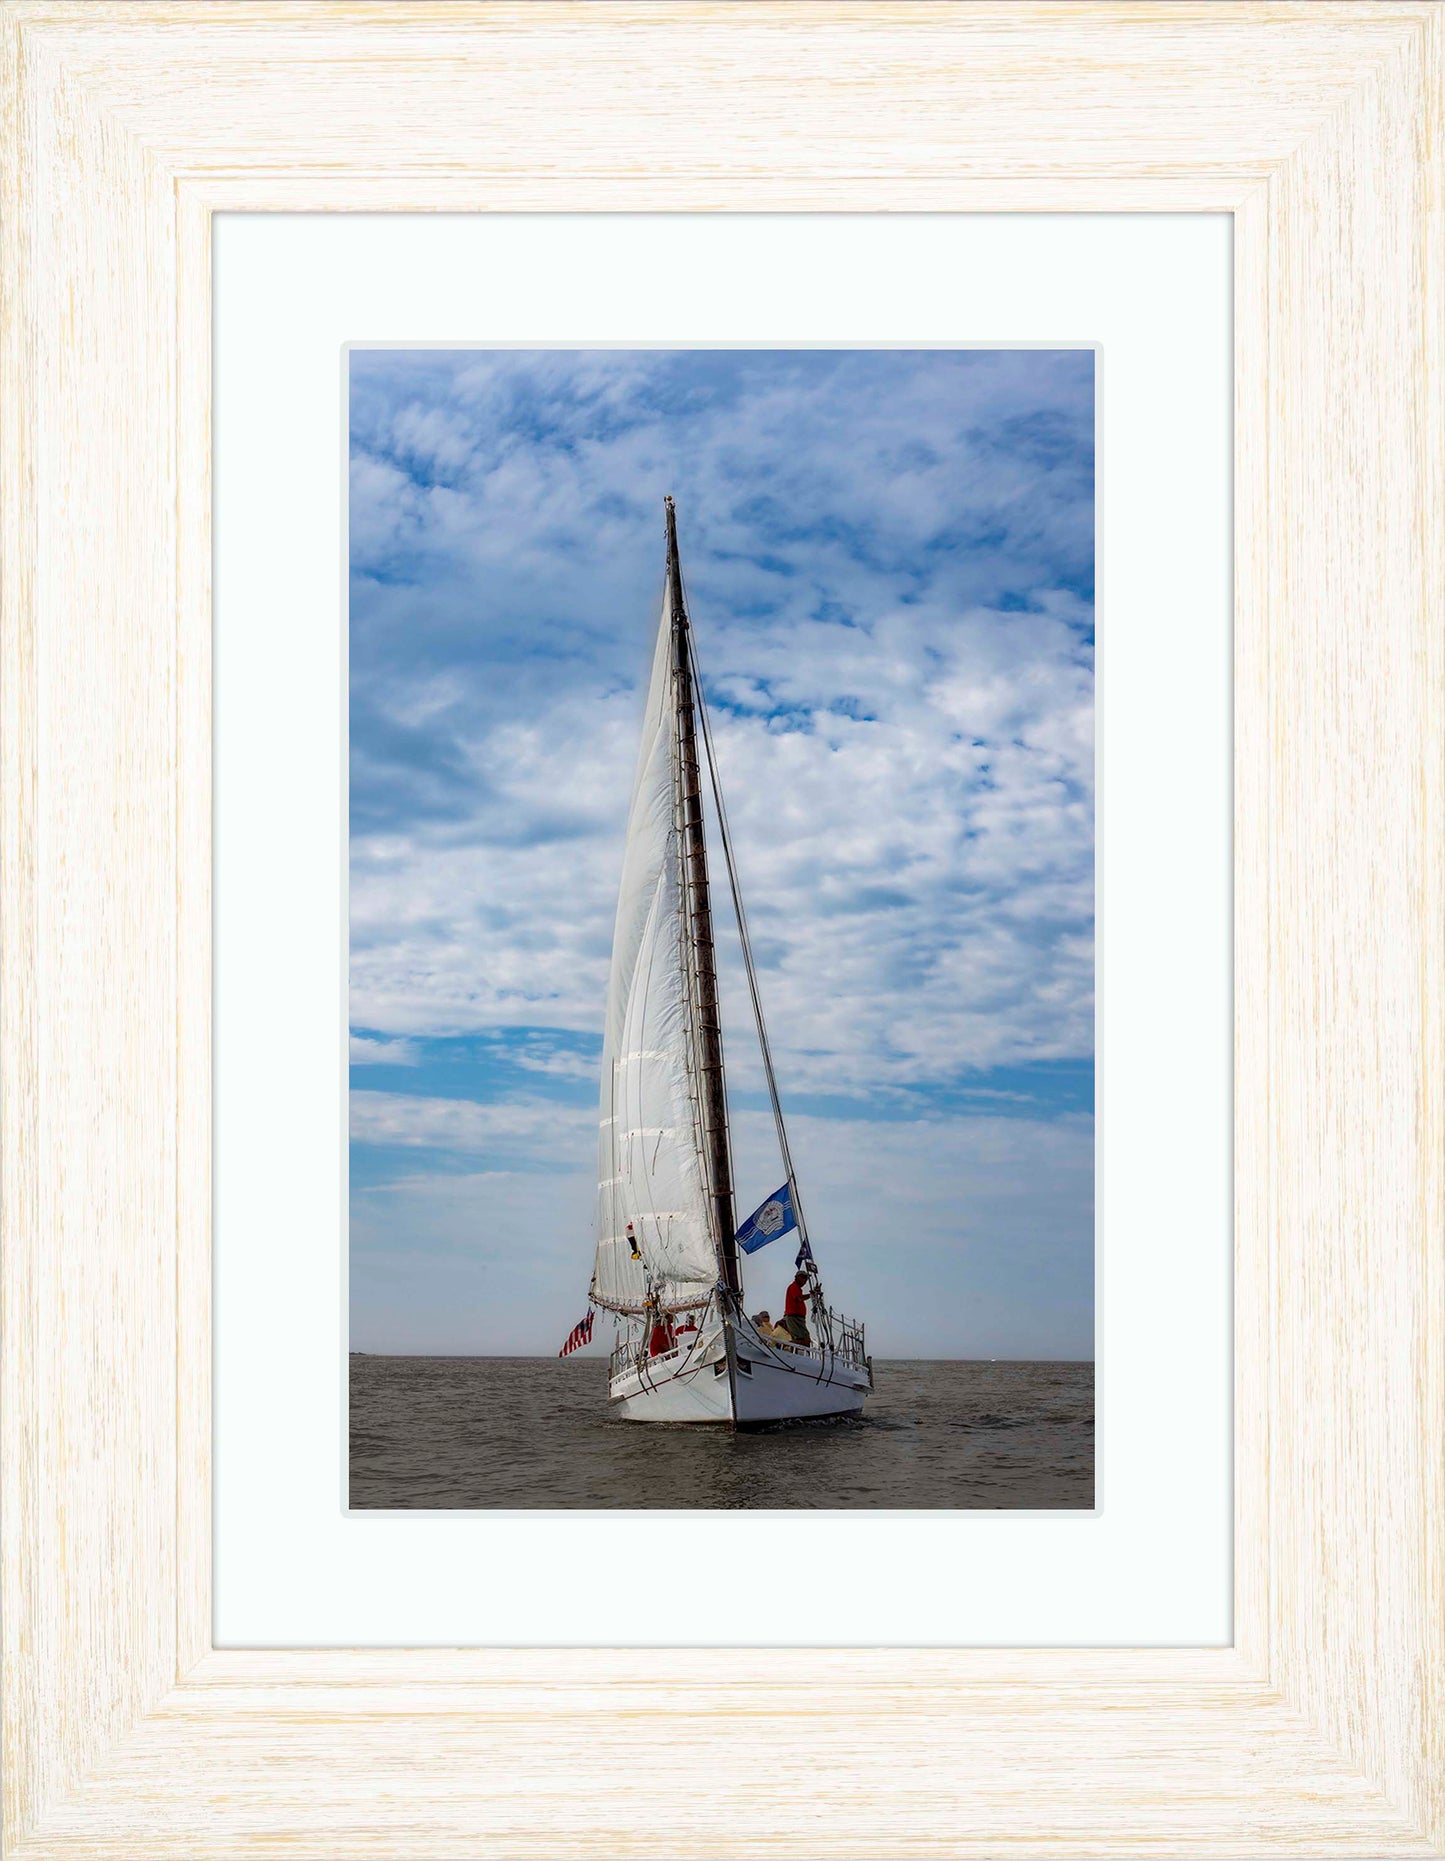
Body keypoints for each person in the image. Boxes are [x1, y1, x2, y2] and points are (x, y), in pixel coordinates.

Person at [782, 1270, 812, 1346]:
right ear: (797, 1277)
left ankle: (797, 1353)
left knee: (806, 1340)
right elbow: (799, 1298)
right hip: (794, 1318)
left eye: (806, 1278)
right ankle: (787, 1348)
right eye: (803, 1277)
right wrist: (811, 1295)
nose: (805, 1280)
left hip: (798, 1318)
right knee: (799, 1339)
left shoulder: (797, 1289)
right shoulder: (793, 1287)